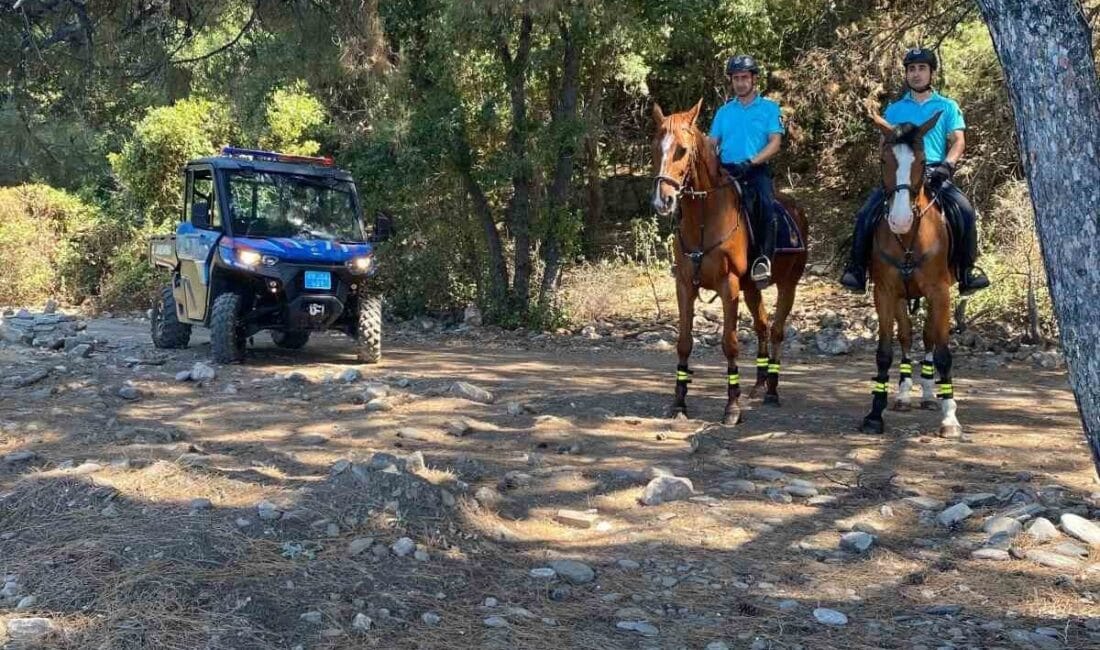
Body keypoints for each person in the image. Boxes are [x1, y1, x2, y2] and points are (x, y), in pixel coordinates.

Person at [840, 47, 990, 294]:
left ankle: (967, 271)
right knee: (866, 213)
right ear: (906, 74)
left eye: (921, 68)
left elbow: (958, 141)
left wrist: (947, 165)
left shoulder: (947, 106)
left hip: (935, 172)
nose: (916, 74)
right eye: (911, 69)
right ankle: (857, 269)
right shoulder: (894, 109)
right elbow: (884, 145)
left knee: (964, 210)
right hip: (901, 174)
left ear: (931, 72)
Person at [709, 54, 785, 286]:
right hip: (726, 171)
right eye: (736, 78)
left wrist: (751, 162)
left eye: (744, 77)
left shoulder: (769, 109)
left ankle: (763, 259)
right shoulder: (723, 112)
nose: (740, 83)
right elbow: (712, 143)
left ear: (754, 79)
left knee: (766, 205)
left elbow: (775, 143)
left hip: (755, 169)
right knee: (696, 199)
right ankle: (692, 255)